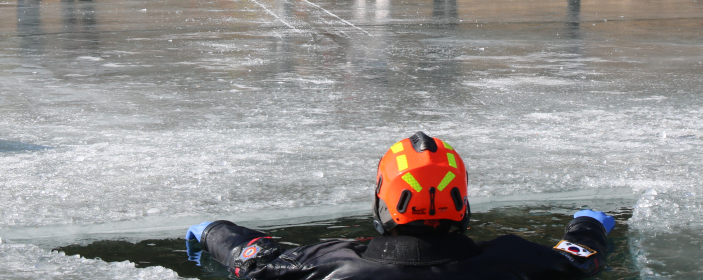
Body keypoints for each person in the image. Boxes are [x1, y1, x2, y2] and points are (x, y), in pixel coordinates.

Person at [185, 131, 614, 279]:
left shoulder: (328, 262)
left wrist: (213, 229)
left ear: (382, 201)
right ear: (462, 203)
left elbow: (253, 259)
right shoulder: (514, 259)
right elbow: (580, 260)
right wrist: (587, 224)